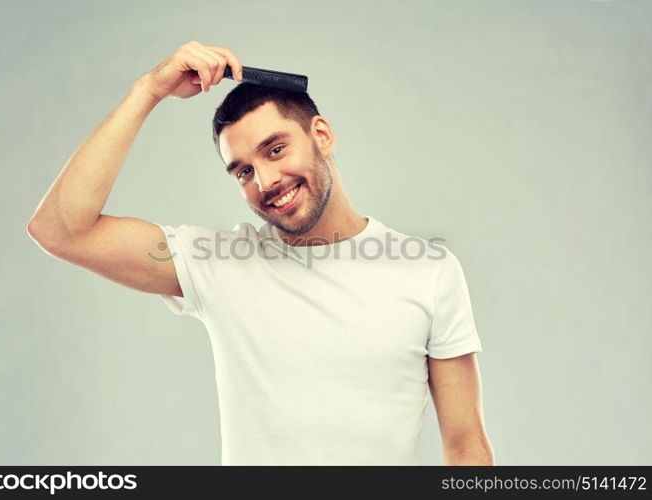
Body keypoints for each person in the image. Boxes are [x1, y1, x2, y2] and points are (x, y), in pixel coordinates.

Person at [27, 40, 495, 466]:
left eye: (275, 150)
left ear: (322, 135)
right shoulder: (217, 261)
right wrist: (149, 90)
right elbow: (61, 230)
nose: (266, 182)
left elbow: (465, 445)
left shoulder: (427, 270)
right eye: (243, 171)